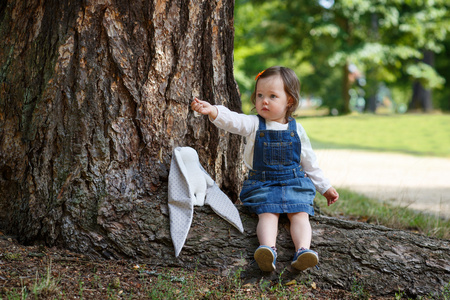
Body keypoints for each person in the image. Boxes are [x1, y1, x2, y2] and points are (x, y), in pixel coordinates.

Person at [190, 66, 339, 272]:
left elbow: (310, 162)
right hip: (263, 183)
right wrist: (214, 111)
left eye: (272, 96)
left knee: (300, 213)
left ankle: (303, 250)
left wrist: (325, 187)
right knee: (267, 213)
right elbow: (234, 120)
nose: (264, 101)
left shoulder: (297, 130)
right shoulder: (254, 124)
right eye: (259, 95)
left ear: (289, 101)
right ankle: (267, 250)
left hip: (293, 181)